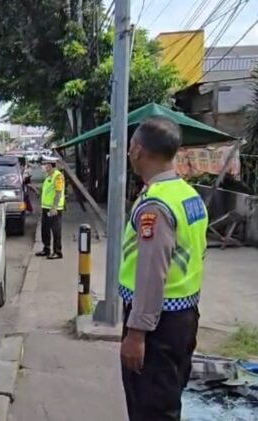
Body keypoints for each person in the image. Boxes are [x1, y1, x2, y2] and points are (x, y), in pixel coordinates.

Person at [119, 117, 208, 421]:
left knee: (150, 409)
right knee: (167, 402)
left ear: (139, 150)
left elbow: (150, 274)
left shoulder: (156, 205)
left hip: (157, 325)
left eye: (131, 145)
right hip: (184, 317)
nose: (130, 152)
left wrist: (136, 334)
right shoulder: (188, 195)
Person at [36, 158, 65, 259]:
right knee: (45, 229)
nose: (44, 166)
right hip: (46, 208)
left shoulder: (58, 176)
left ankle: (57, 251)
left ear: (51, 165)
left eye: (46, 164)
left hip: (54, 209)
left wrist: (54, 207)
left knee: (56, 230)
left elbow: (58, 192)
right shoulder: (48, 176)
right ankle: (46, 249)